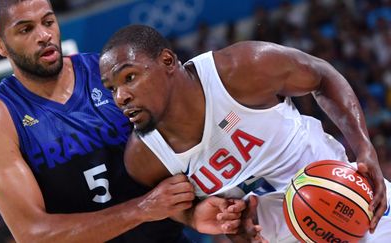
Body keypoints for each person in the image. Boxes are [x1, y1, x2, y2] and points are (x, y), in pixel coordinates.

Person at [0, 1, 246, 242]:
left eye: (48, 22)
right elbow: (33, 234)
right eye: (26, 29)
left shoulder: (109, 74)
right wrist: (141, 209)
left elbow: (161, 172)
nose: (43, 35)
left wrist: (193, 214)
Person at [98, 24, 391, 242]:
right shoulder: (143, 158)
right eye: (112, 88)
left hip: (347, 199)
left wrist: (364, 148)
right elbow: (180, 207)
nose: (121, 96)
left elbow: (322, 75)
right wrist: (199, 219)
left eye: (130, 77)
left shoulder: (241, 69)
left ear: (167, 61)